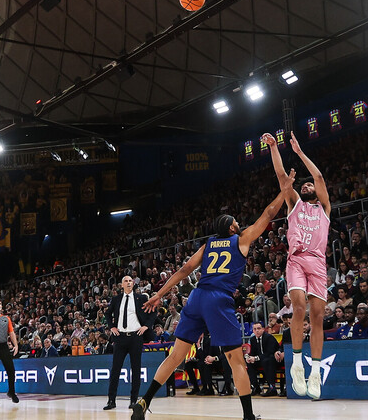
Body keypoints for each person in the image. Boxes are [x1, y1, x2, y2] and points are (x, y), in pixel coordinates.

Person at [132, 169, 294, 420]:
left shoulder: (208, 245)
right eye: (235, 221)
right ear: (231, 226)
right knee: (235, 359)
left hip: (197, 297)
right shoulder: (240, 239)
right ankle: (249, 416)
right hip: (218, 299)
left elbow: (185, 270)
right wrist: (284, 192)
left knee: (176, 355)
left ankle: (145, 400)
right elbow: (268, 214)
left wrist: (159, 294)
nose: (239, 223)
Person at [267, 132, 329, 399]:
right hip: (297, 260)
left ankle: (315, 371)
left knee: (317, 317)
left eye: (307, 186)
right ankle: (296, 364)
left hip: (318, 262)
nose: (305, 186)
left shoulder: (324, 207)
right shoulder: (294, 204)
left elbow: (319, 178)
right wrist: (273, 147)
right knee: (299, 306)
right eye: (302, 186)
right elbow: (282, 177)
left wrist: (301, 153)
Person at [103, 275, 156, 410]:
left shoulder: (141, 298)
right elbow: (107, 314)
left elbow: (153, 313)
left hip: (135, 337)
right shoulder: (116, 299)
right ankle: (111, 401)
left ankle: (133, 400)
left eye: (130, 281)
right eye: (125, 281)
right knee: (115, 370)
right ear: (122, 285)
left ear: (133, 284)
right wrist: (111, 327)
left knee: (136, 369)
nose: (128, 283)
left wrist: (146, 326)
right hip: (120, 338)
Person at [245, 322, 280, 397]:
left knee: (267, 361)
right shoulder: (253, 339)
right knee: (249, 363)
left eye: (258, 328)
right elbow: (253, 353)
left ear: (263, 329)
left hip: (273, 359)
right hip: (261, 359)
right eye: (254, 329)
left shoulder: (269, 337)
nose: (257, 331)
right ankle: (256, 387)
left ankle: (272, 387)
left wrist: (256, 358)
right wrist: (249, 357)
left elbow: (270, 352)